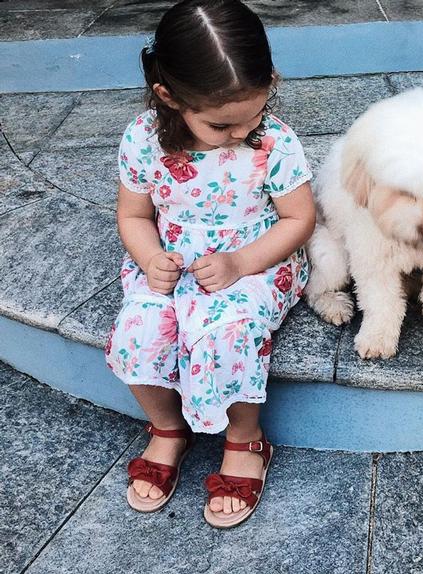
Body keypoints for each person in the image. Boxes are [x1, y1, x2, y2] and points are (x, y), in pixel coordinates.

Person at [104, 0, 315, 529]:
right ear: (169, 97)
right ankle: (167, 428)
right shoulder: (143, 139)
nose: (241, 133)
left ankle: (246, 441)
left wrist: (242, 262)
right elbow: (133, 214)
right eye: (222, 124)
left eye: (253, 115)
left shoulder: (273, 140)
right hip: (172, 261)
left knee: (226, 329)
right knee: (140, 327)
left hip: (257, 258)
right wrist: (151, 257)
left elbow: (297, 219)